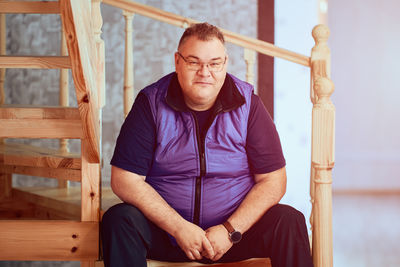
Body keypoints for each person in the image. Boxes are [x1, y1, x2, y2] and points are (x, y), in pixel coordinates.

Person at [101, 22, 313, 267]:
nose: (205, 72)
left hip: (233, 237)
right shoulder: (150, 103)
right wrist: (179, 228)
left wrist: (230, 230)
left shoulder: (249, 105)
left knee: (289, 219)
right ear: (177, 62)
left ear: (225, 64)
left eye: (214, 63)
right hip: (170, 236)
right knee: (119, 219)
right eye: (193, 62)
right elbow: (124, 179)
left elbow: (274, 181)